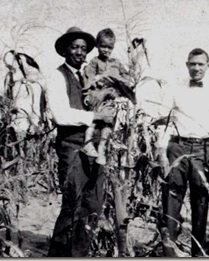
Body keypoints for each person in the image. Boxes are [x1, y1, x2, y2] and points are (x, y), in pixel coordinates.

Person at [45, 26, 115, 257]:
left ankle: (79, 254)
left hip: (94, 146)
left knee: (92, 206)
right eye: (74, 47)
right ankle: (58, 254)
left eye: (84, 48)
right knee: (72, 205)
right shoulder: (57, 76)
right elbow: (61, 115)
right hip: (72, 147)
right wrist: (95, 116)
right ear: (65, 50)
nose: (79, 52)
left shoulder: (88, 75)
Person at [160, 48, 209, 257]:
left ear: (208, 66)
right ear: (187, 65)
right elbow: (165, 122)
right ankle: (169, 250)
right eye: (193, 64)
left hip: (204, 148)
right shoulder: (175, 89)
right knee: (172, 196)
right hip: (177, 147)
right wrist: (162, 151)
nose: (196, 68)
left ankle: (198, 253)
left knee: (200, 200)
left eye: (200, 64)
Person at [81, 28, 132, 165]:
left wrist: (119, 80)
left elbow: (127, 79)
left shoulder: (116, 63)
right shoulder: (94, 62)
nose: (106, 50)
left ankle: (102, 149)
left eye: (109, 47)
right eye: (103, 46)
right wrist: (98, 80)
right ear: (97, 45)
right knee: (94, 118)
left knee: (108, 122)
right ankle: (88, 142)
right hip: (98, 95)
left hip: (111, 98)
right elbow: (88, 79)